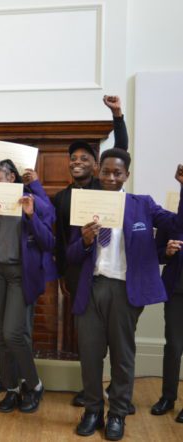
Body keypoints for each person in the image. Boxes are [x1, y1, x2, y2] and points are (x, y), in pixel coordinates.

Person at [70, 152, 183, 440]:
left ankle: (118, 413)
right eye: (106, 172)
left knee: (122, 357)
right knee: (91, 356)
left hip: (125, 291)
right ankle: (93, 411)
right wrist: (84, 241)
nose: (110, 178)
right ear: (99, 173)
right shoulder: (85, 205)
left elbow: (176, 224)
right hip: (92, 288)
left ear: (126, 176)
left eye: (117, 173)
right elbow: (69, 255)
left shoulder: (142, 204)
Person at [52, 95, 130, 408]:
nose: (78, 162)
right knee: (89, 343)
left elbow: (121, 150)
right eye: (73, 159)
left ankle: (119, 395)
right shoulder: (60, 198)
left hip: (109, 272)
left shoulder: (103, 187)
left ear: (96, 166)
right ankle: (91, 391)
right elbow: (59, 240)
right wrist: (60, 276)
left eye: (85, 158)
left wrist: (118, 115)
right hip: (77, 272)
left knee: (117, 342)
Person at [0, 159, 55, 414]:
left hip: (20, 275)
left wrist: (30, 215)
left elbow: (48, 242)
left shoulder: (30, 201)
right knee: (1, 336)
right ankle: (11, 389)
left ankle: (35, 384)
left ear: (11, 179)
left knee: (13, 334)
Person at [150, 228, 183, 423]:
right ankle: (168, 398)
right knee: (173, 347)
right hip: (176, 291)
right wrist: (167, 252)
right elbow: (156, 253)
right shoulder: (171, 222)